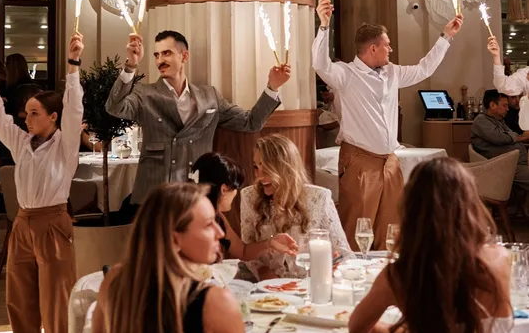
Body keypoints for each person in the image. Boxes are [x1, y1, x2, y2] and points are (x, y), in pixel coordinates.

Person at [312, 0, 463, 249]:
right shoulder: (346, 75)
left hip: (390, 161)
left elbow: (424, 69)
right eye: (387, 45)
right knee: (357, 227)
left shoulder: (392, 72)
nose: (391, 49)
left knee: (391, 228)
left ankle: (386, 271)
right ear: (373, 48)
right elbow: (320, 64)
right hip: (359, 160)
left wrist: (446, 37)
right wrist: (324, 26)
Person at [348, 158, 518, 333]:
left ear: (410, 210)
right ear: (470, 204)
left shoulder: (400, 275)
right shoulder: (500, 259)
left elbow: (358, 328)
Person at [0, 32, 84, 333]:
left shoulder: (65, 144)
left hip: (53, 225)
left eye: (34, 113)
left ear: (53, 117)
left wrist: (73, 64)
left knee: (57, 308)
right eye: (26, 113)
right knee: (20, 306)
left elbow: (74, 107)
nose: (27, 119)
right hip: (22, 225)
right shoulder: (21, 142)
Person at [106, 30, 290, 212]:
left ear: (184, 56)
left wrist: (273, 87)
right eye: (156, 55)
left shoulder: (209, 96)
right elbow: (114, 107)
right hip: (155, 195)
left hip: (197, 194)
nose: (160, 60)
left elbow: (251, 122)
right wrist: (131, 65)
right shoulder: (144, 94)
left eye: (167, 53)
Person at [92, 182, 258, 333]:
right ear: (174, 238)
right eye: (208, 225)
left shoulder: (116, 280)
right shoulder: (216, 303)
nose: (219, 233)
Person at [240, 134, 350, 280]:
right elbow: (246, 250)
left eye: (265, 168)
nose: (259, 176)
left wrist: (334, 265)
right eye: (256, 167)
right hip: (266, 285)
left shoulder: (319, 197)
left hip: (311, 282)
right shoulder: (249, 197)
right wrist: (264, 273)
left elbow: (344, 253)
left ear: (285, 168)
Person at [190, 152, 298, 262]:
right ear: (224, 190)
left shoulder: (218, 217)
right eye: (235, 188)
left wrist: (270, 243)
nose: (235, 193)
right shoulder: (192, 218)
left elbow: (243, 252)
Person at [470, 90, 529, 192]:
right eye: (504, 105)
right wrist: (522, 137)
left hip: (515, 164)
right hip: (501, 167)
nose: (507, 109)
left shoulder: (499, 120)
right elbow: (500, 138)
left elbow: (510, 137)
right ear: (492, 105)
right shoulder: (481, 120)